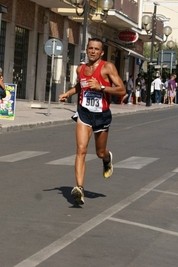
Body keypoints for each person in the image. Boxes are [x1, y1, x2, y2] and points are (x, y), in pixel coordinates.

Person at [58, 38, 126, 205]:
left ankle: (106, 159)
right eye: (90, 48)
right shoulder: (81, 69)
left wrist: (101, 87)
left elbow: (122, 90)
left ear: (101, 52)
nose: (93, 51)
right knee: (81, 149)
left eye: (96, 49)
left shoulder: (107, 67)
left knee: (99, 152)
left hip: (101, 115)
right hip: (84, 113)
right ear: (86, 50)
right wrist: (68, 93)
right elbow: (81, 87)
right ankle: (79, 188)